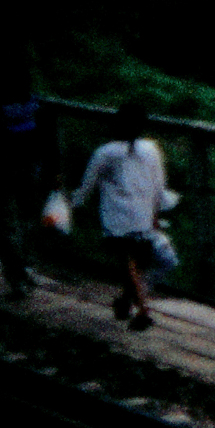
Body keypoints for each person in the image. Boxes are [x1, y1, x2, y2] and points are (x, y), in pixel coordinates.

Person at [73, 102, 168, 330]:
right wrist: (156, 212)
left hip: (117, 219)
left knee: (128, 261)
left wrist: (74, 203)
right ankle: (127, 301)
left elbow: (87, 185)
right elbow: (159, 185)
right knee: (136, 262)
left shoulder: (105, 152)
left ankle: (142, 309)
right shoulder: (152, 149)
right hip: (144, 216)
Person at [0, 48, 57, 300]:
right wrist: (53, 171)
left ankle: (18, 274)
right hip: (29, 172)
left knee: (7, 226)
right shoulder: (39, 107)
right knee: (26, 223)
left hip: (5, 171)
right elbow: (49, 144)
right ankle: (24, 269)